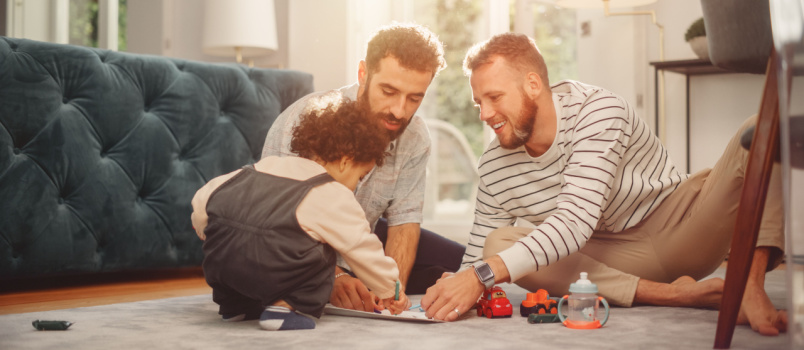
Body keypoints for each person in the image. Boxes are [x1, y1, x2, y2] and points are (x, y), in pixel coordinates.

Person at [420, 33, 787, 337]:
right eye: (478, 103)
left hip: (681, 226)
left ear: (533, 84)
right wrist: (456, 285)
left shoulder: (597, 110)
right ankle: (675, 295)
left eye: (494, 98)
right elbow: (478, 257)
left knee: (761, 127)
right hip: (609, 259)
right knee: (497, 245)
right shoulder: (494, 164)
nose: (485, 114)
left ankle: (749, 286)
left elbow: (574, 222)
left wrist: (480, 275)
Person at [261, 23, 466, 312]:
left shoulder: (415, 136)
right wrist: (333, 276)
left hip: (365, 233)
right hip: (293, 238)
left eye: (414, 98)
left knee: (463, 266)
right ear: (363, 74)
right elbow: (275, 225)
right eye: (388, 91)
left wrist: (392, 291)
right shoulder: (305, 121)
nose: (399, 111)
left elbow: (404, 221)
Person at [192, 98, 410, 331]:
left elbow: (204, 199)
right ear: (345, 162)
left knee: (239, 238)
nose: (356, 185)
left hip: (220, 265)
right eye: (360, 176)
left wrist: (207, 231)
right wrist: (390, 289)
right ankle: (282, 309)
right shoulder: (331, 193)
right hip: (271, 270)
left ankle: (236, 308)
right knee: (322, 256)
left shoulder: (266, 166)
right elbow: (363, 248)